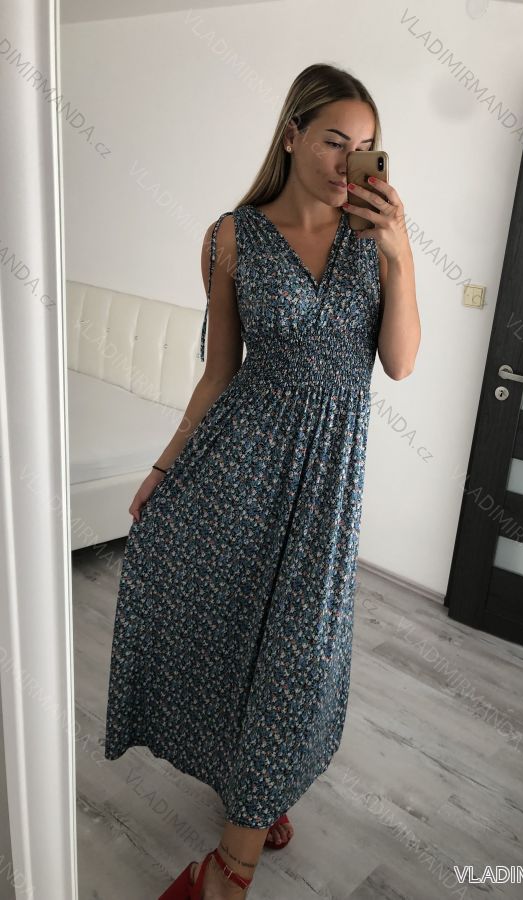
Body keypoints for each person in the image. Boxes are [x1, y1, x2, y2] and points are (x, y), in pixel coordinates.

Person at [103, 61, 420, 899]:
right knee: (226, 631)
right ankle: (247, 809)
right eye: (333, 140)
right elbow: (219, 372)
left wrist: (398, 254)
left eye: (364, 146)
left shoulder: (375, 239)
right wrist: (165, 466)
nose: (348, 161)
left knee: (299, 659)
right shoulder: (232, 237)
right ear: (291, 136)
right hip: (237, 467)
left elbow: (399, 362)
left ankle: (235, 850)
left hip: (325, 485)